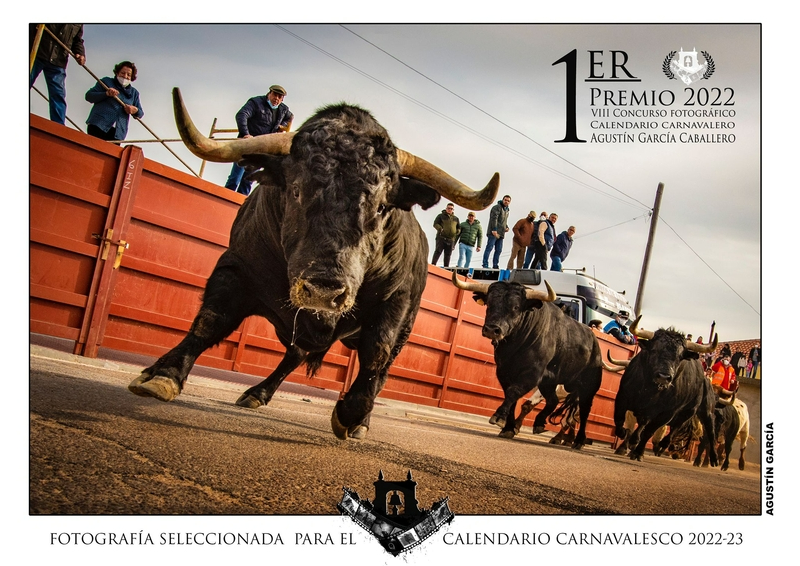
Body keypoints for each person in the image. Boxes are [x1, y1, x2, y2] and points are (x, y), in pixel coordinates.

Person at [224, 85, 293, 196]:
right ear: (269, 93)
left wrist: (282, 126)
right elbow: (241, 115)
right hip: (246, 145)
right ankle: (224, 198)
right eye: (275, 95)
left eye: (280, 97)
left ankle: (239, 205)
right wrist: (246, 134)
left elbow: (289, 117)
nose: (277, 99)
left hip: (262, 150)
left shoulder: (283, 109)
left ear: (282, 99)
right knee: (235, 178)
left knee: (248, 180)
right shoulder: (256, 102)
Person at [30, 24, 86, 125]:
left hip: (58, 61)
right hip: (37, 51)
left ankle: (58, 127)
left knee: (58, 95)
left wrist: (80, 53)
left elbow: (77, 40)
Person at [84, 61, 144, 141]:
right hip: (98, 125)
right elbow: (89, 96)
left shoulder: (134, 93)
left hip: (117, 133)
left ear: (132, 77)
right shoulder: (106, 81)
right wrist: (106, 94)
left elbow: (140, 113)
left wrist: (134, 110)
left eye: (129, 75)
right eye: (123, 73)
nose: (125, 76)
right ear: (117, 73)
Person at [482, 195, 511, 269]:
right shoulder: (497, 207)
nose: (506, 201)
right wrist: (494, 229)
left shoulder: (507, 210)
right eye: (505, 200)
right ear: (502, 200)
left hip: (501, 233)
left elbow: (502, 221)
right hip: (493, 232)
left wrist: (506, 227)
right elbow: (494, 219)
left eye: (508, 201)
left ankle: (495, 265)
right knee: (489, 247)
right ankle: (485, 264)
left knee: (498, 250)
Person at [431, 203, 460, 267]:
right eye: (448, 208)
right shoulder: (440, 216)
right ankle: (433, 265)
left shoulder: (456, 218)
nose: (450, 210)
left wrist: (457, 231)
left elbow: (459, 227)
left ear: (453, 210)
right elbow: (435, 224)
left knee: (448, 255)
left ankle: (446, 268)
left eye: (451, 209)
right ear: (446, 208)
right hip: (441, 237)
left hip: (451, 239)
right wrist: (440, 229)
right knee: (438, 252)